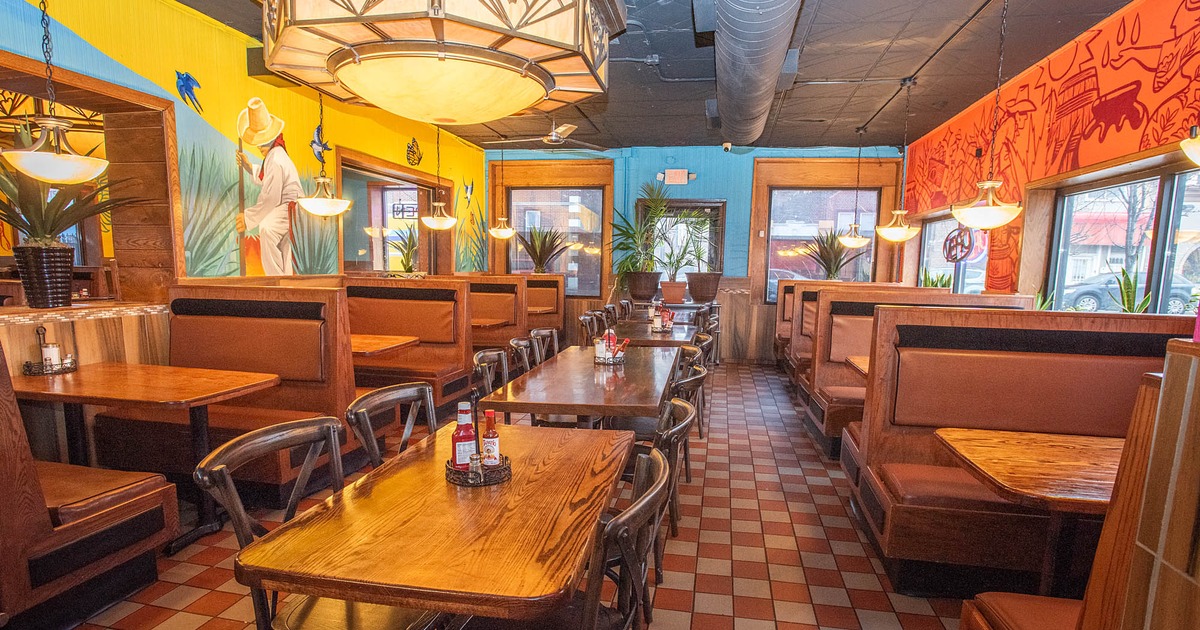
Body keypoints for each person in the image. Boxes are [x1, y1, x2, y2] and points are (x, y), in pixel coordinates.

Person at [235, 97, 302, 276]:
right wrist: (251, 168)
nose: (258, 147)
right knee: (285, 247)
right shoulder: (276, 156)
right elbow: (269, 180)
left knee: (267, 228)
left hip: (287, 207)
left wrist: (247, 218)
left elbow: (271, 197)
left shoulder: (276, 158)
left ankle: (276, 281)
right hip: (291, 210)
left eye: (260, 142)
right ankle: (285, 282)